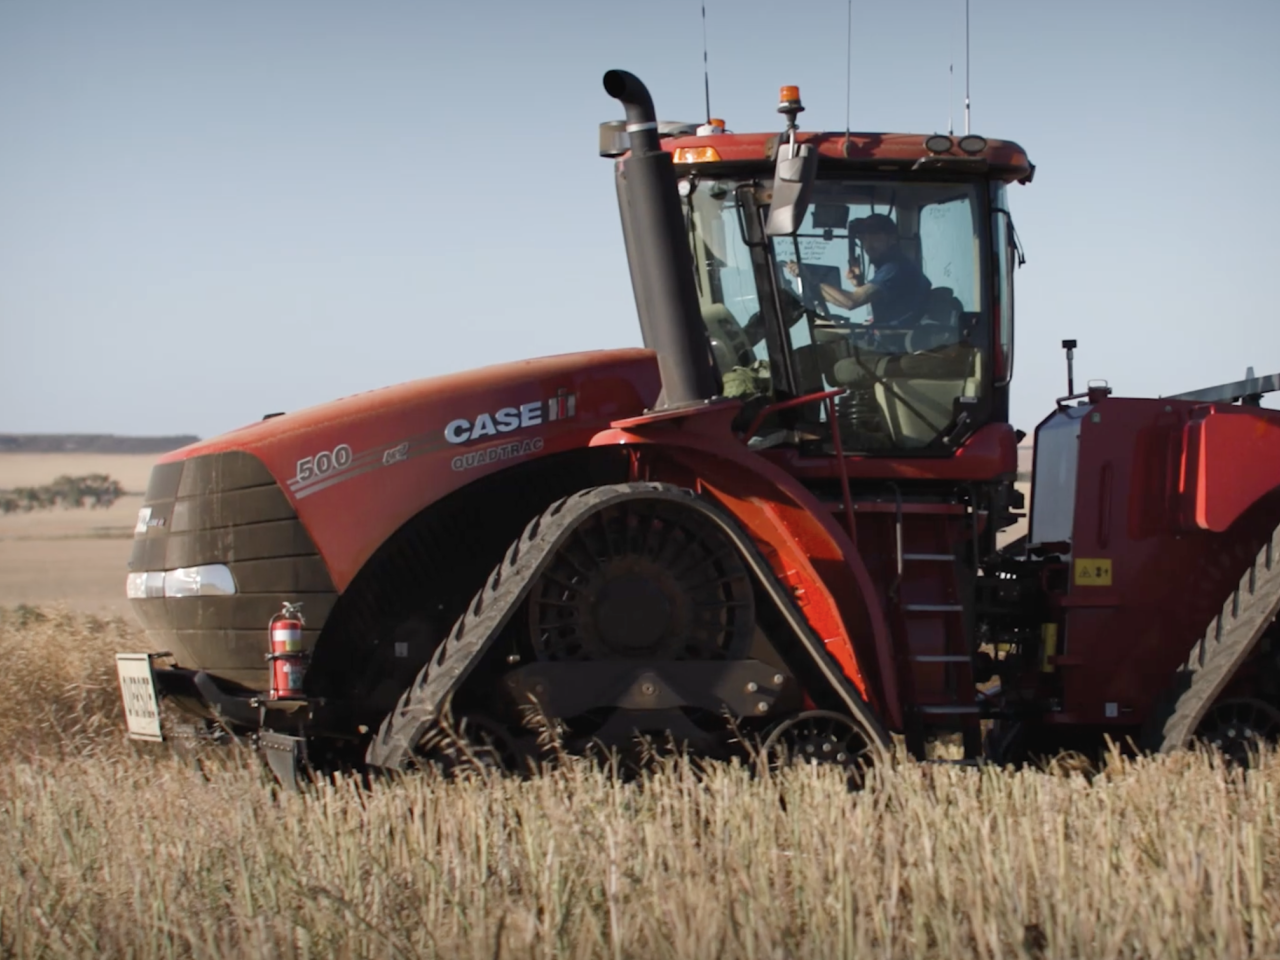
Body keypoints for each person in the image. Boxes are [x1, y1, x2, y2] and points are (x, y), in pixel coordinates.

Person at [788, 213, 931, 330]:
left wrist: (808, 276)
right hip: (893, 339)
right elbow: (889, 302)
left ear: (892, 238)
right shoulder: (892, 267)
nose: (868, 244)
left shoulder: (894, 268)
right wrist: (860, 284)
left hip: (895, 345)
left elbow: (850, 302)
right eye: (864, 238)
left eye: (875, 236)